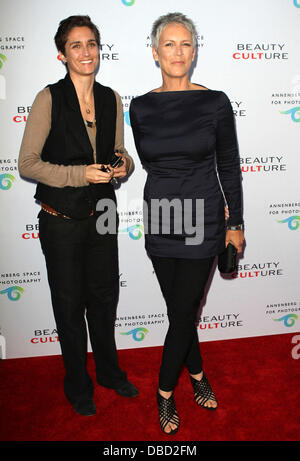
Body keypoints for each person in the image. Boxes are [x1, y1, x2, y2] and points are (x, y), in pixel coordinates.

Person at [129, 12, 244, 434]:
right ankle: (196, 374)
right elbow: (149, 163)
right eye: (169, 44)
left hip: (205, 220)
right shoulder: (139, 107)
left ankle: (162, 394)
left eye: (186, 44)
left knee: (182, 311)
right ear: (156, 52)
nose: (178, 52)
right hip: (160, 217)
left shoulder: (215, 102)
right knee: (181, 311)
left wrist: (237, 222)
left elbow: (229, 164)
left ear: (195, 51)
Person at [19, 15, 138, 416]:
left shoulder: (112, 98)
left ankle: (108, 372)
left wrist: (124, 164)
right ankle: (77, 384)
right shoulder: (48, 98)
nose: (86, 52)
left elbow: (121, 151)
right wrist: (77, 174)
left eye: (91, 44)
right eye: (76, 45)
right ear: (62, 54)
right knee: (69, 306)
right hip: (61, 218)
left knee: (105, 299)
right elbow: (27, 164)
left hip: (104, 210)